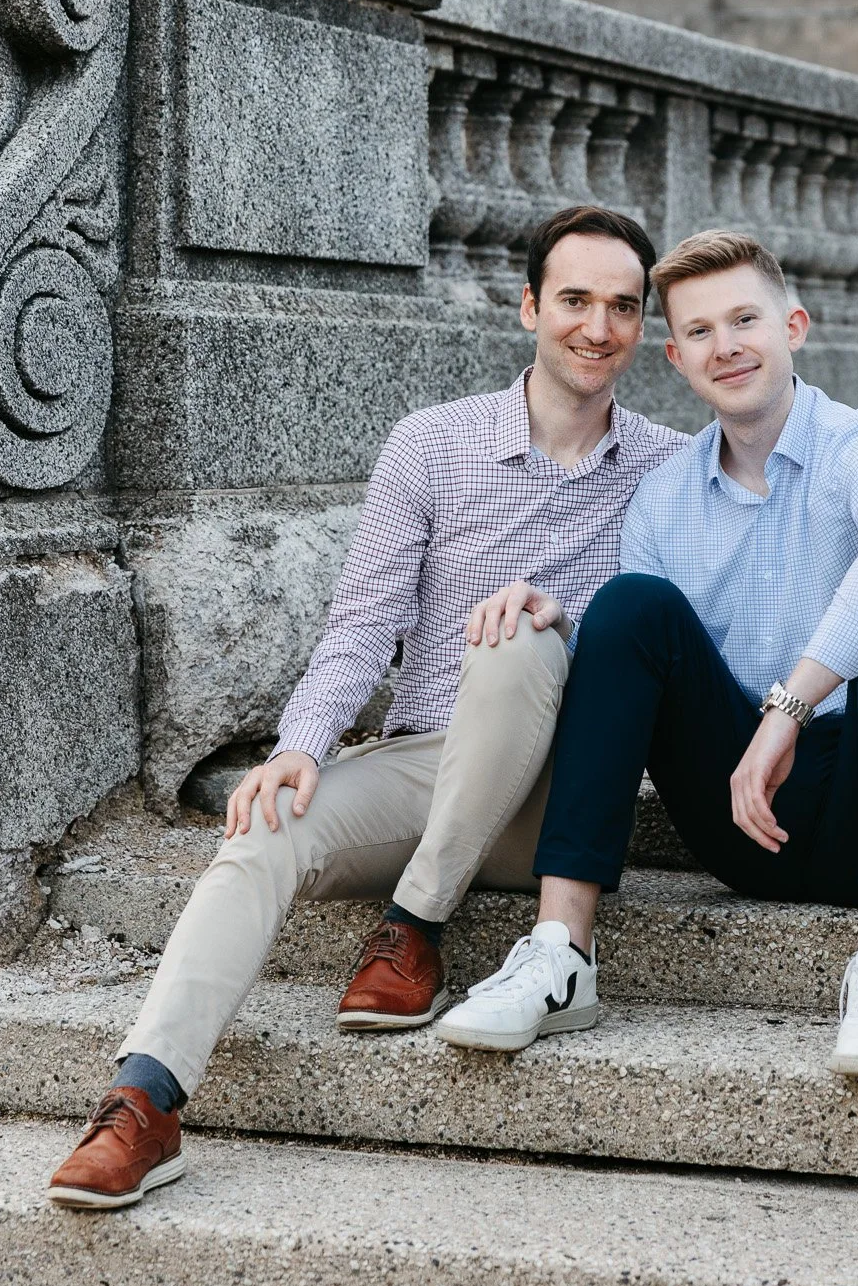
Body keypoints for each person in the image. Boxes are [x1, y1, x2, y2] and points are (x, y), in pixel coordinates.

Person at [47, 204, 688, 1210]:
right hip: (426, 763)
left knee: (522, 630)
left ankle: (415, 921)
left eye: (621, 305)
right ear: (529, 305)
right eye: (574, 298)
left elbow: (723, 602)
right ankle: (144, 1100)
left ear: (641, 325)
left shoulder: (669, 464)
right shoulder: (432, 443)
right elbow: (363, 621)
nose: (596, 326)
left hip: (563, 799)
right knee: (266, 828)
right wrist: (300, 744)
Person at [438, 228, 858, 1080]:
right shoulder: (661, 498)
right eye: (699, 331)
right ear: (675, 355)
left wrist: (789, 707)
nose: (725, 346)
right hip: (750, 819)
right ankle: (560, 952)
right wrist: (570, 620)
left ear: (792, 327)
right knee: (628, 606)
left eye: (744, 321)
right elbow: (641, 672)